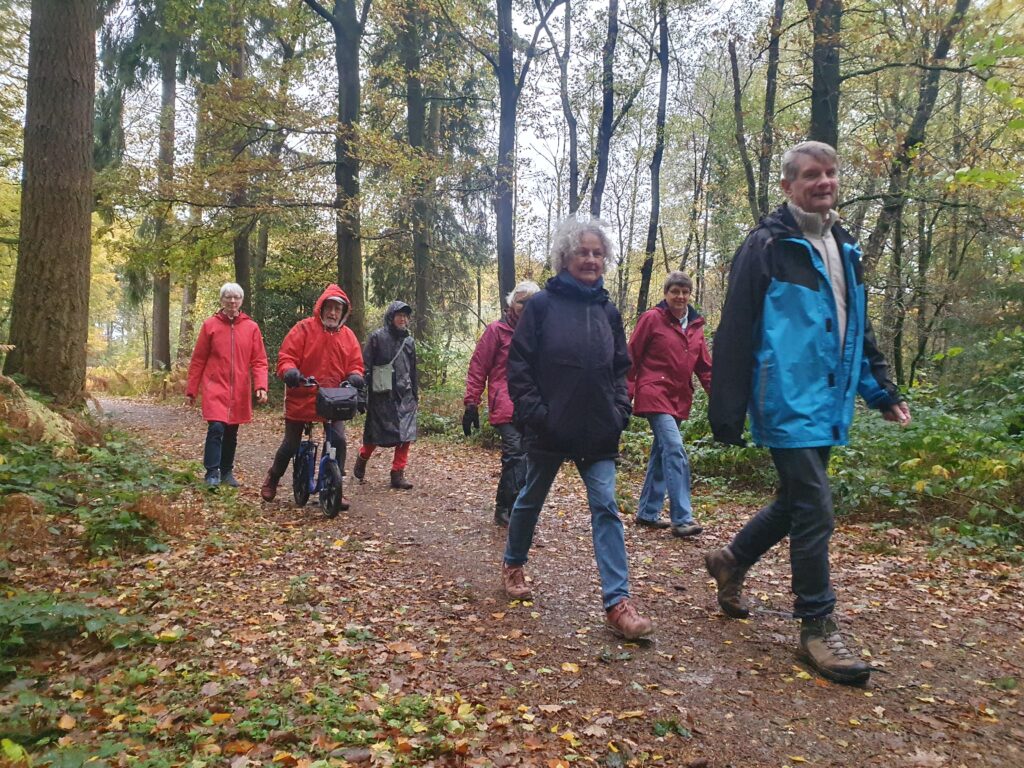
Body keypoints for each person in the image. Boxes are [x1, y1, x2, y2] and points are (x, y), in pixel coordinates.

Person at [706, 140, 911, 685]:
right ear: (788, 185)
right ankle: (817, 626)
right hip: (785, 399)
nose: (824, 182)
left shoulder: (844, 245)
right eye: (811, 175)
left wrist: (881, 390)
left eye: (830, 174)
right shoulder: (768, 246)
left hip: (830, 399)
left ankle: (731, 559)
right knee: (816, 505)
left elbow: (856, 328)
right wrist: (725, 410)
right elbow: (736, 329)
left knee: (795, 500)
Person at [502, 216, 653, 641]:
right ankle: (514, 563)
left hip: (599, 430)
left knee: (605, 507)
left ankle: (617, 602)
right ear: (565, 257)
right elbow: (519, 367)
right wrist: (538, 414)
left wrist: (620, 409)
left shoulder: (608, 310)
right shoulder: (542, 307)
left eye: (597, 253)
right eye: (583, 252)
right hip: (551, 428)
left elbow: (623, 369)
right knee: (531, 498)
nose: (590, 259)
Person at [260, 284, 364, 503]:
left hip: (333, 398)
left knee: (338, 440)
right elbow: (286, 356)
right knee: (291, 443)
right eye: (329, 307)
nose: (333, 313)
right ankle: (273, 477)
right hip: (303, 394)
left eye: (337, 309)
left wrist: (355, 375)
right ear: (321, 308)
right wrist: (290, 371)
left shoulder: (348, 337)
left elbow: (355, 363)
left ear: (343, 312)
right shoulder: (303, 329)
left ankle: (336, 486)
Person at [627, 271, 712, 537]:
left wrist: (720, 400)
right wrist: (623, 395)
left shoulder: (696, 327)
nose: (680, 296)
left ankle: (647, 512)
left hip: (679, 397)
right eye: (675, 291)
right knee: (674, 449)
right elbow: (632, 356)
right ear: (666, 294)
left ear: (690, 295)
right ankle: (682, 519)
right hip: (654, 392)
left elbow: (705, 368)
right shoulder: (652, 319)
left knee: (661, 454)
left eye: (685, 292)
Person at [463, 280, 542, 527]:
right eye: (521, 302)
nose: (526, 307)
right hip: (505, 403)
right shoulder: (496, 331)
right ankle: (505, 507)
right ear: (511, 304)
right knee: (515, 453)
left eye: (531, 302)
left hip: (532, 405)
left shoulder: (541, 332)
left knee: (529, 457)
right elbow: (478, 368)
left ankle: (514, 506)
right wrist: (471, 404)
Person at [186, 283, 269, 487]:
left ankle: (226, 472)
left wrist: (261, 386)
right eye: (228, 297)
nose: (232, 301)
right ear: (222, 300)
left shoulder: (251, 327)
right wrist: (191, 390)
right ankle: (211, 472)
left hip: (239, 388)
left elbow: (259, 360)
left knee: (232, 431)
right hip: (215, 386)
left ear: (241, 301)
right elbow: (198, 360)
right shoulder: (210, 325)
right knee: (216, 427)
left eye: (236, 298)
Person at [353, 301, 418, 490]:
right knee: (375, 435)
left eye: (406, 316)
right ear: (391, 316)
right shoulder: (376, 338)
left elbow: (413, 370)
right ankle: (363, 456)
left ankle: (397, 474)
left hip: (405, 394)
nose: (403, 319)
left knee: (405, 435)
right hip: (381, 395)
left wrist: (415, 394)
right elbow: (364, 367)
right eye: (400, 315)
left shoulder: (410, 342)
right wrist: (362, 394)